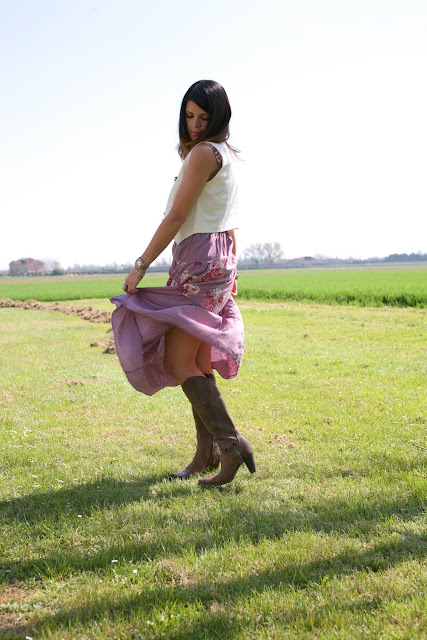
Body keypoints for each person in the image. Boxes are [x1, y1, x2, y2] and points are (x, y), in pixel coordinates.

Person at [110, 80, 255, 486]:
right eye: (189, 115)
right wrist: (231, 269)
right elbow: (228, 220)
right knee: (197, 361)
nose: (194, 124)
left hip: (199, 259)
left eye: (203, 117)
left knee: (177, 361)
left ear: (219, 117)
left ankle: (231, 445)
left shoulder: (204, 154)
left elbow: (176, 217)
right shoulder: (223, 154)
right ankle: (208, 454)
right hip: (213, 258)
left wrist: (140, 266)